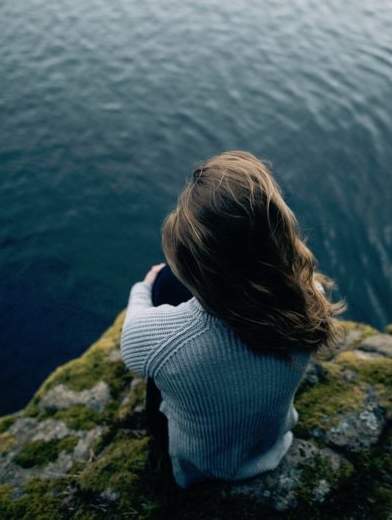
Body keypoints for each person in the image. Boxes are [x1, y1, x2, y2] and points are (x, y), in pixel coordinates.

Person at [121, 151, 344, 488]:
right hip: (270, 445)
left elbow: (131, 339)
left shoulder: (163, 340)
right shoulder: (310, 301)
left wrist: (144, 286)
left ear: (200, 271)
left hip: (202, 466)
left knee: (165, 284)